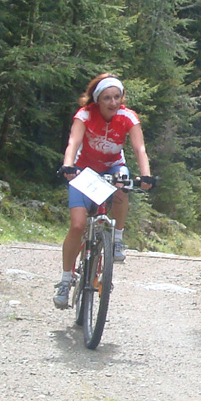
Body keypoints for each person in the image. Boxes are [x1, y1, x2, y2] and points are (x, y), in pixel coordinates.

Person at [54, 74, 153, 308]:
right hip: (83, 169)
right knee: (77, 225)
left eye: (117, 97)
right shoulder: (85, 115)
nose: (113, 102)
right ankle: (66, 280)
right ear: (97, 100)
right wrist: (68, 165)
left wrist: (146, 175)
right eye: (107, 98)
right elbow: (73, 142)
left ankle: (117, 239)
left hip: (113, 166)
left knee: (123, 185)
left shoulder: (128, 117)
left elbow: (139, 148)